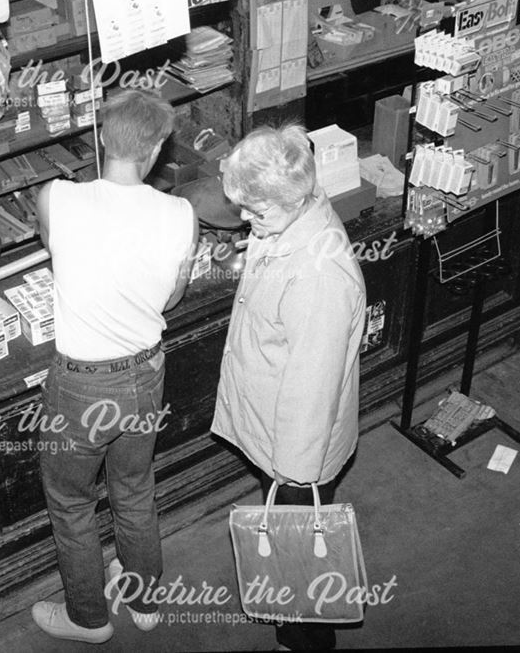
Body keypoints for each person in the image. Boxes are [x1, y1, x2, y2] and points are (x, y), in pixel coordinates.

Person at [31, 90, 199, 644]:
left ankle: (89, 619)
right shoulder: (181, 214)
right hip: (146, 375)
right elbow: (171, 302)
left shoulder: (56, 197)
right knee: (134, 489)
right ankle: (145, 603)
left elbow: (60, 252)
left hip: (79, 388)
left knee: (72, 502)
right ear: (154, 150)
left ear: (103, 137)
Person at [210, 124, 366, 651]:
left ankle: (302, 642)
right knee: (286, 551)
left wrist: (293, 479)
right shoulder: (290, 220)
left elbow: (311, 390)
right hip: (273, 426)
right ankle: (288, 626)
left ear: (294, 199)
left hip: (296, 452)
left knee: (305, 563)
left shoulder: (319, 278)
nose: (248, 223)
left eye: (257, 212)